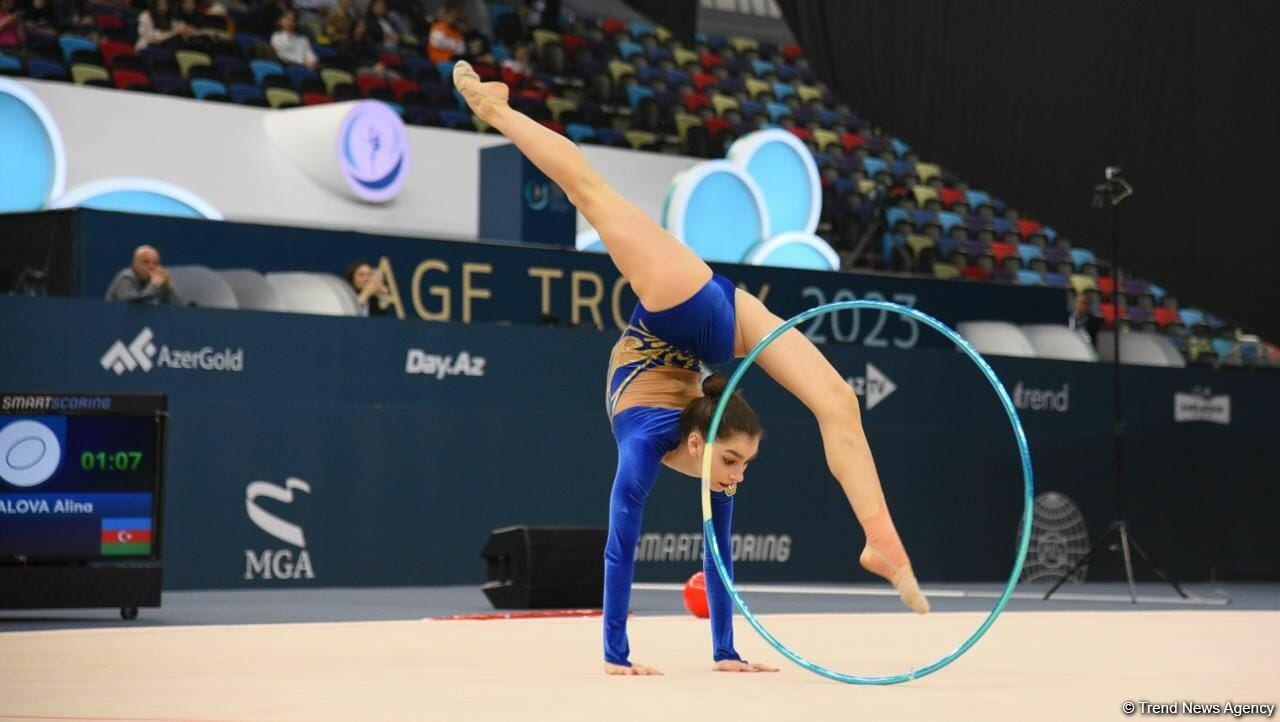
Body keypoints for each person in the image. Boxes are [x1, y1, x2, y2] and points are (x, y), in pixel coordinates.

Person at [452, 60, 930, 677]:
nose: (736, 477)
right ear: (705, 443)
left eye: (738, 464)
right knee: (588, 193)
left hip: (678, 318)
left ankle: (880, 537)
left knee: (838, 399)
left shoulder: (652, 443)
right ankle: (492, 107)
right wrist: (625, 659)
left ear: (698, 444)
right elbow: (659, 550)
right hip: (702, 322)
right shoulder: (704, 454)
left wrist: (715, 653)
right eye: (736, 462)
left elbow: (640, 548)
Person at [105, 245, 183, 305]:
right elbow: (134, 305)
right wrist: (154, 284)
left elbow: (180, 309)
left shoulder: (155, 281)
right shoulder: (126, 277)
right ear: (134, 264)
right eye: (145, 262)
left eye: (156, 263)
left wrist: (168, 286)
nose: (151, 267)